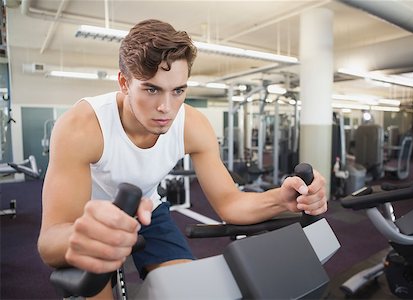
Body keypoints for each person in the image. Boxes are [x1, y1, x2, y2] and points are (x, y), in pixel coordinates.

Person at [37, 19, 327, 299]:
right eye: (151, 89)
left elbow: (230, 204)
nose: (166, 108)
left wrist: (283, 199)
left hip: (149, 211)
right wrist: (83, 236)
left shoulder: (193, 126)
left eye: (178, 91)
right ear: (124, 83)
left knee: (186, 289)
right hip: (88, 218)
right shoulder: (82, 127)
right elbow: (49, 241)